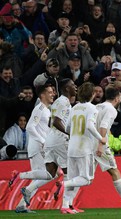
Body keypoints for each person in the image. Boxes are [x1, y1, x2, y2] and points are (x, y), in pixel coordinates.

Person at [60, 82, 106, 214]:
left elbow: (67, 127)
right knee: (86, 179)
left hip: (71, 147)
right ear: (92, 94)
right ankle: (63, 185)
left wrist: (74, 135)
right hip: (84, 148)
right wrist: (100, 138)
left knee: (73, 178)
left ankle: (66, 205)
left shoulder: (74, 108)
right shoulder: (92, 108)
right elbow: (90, 127)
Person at [10, 84, 55, 213]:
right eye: (50, 92)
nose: (52, 94)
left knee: (42, 177)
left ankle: (21, 205)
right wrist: (42, 142)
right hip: (37, 146)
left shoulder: (46, 109)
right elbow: (30, 127)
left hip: (41, 146)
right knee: (49, 174)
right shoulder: (39, 108)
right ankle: (19, 175)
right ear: (42, 95)